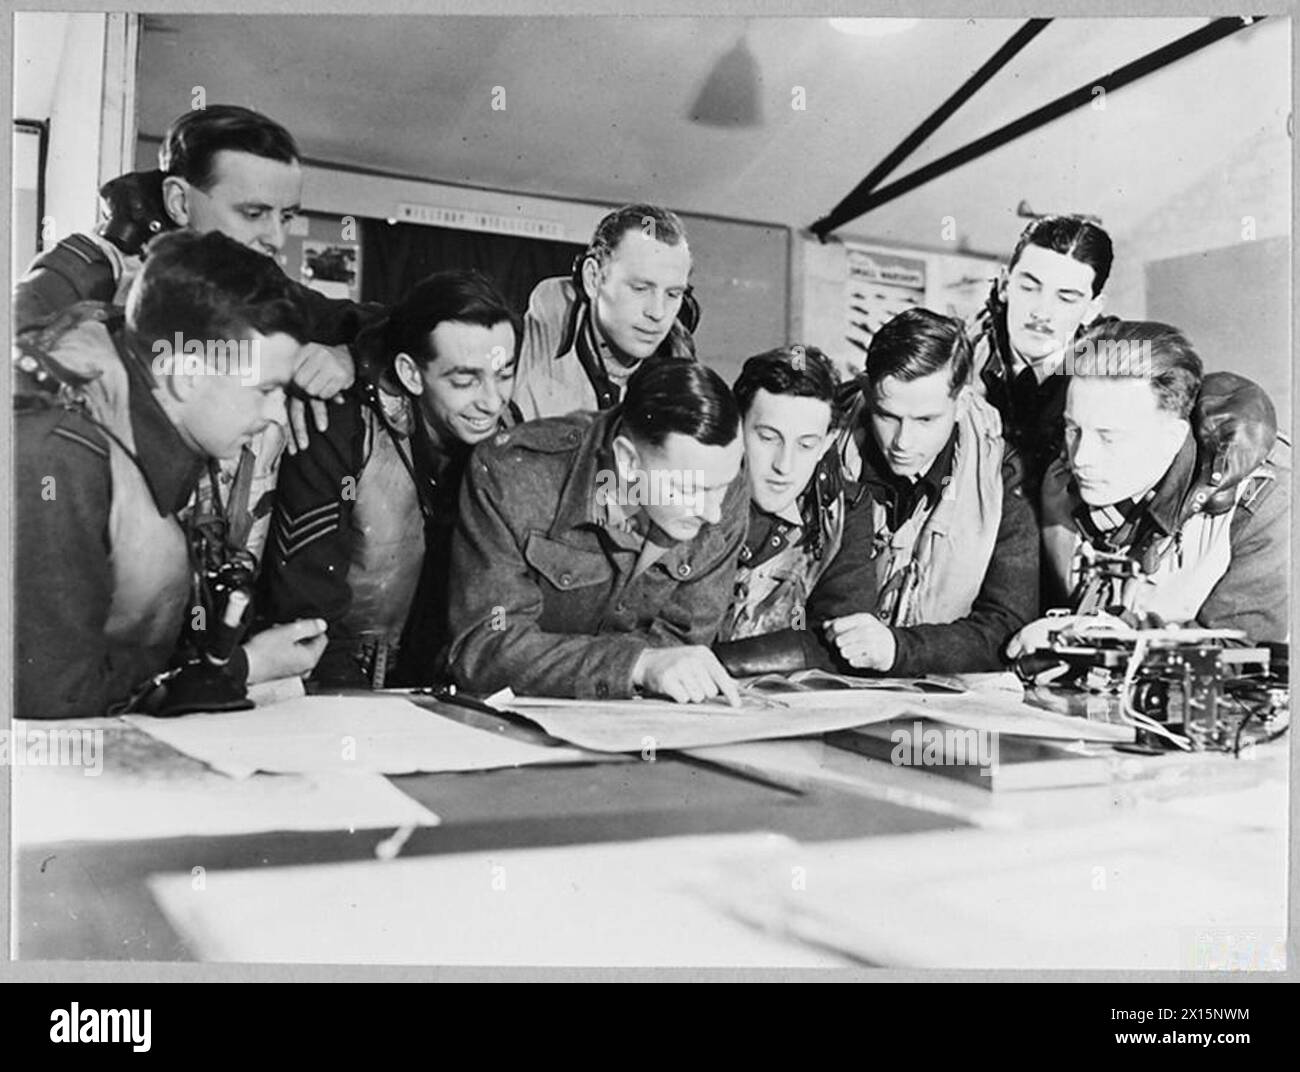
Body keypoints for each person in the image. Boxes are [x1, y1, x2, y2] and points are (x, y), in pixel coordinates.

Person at [14, 231, 330, 721]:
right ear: (185, 376)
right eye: (266, 389)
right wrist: (239, 668)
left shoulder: (145, 416)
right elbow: (53, 708)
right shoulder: (58, 455)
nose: (276, 413)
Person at [717, 309, 1040, 677]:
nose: (903, 442)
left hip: (925, 698)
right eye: (888, 416)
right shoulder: (817, 440)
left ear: (962, 404)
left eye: (925, 420)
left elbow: (1007, 627)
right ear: (868, 391)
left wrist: (900, 649)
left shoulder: (1001, 476)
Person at [259, 270, 522, 688]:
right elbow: (306, 615)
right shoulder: (339, 424)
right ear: (411, 373)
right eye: (465, 379)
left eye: (504, 374)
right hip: (335, 688)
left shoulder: (509, 435)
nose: (492, 402)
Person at [444, 360, 748, 704]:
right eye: (689, 490)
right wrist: (636, 665)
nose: (714, 512)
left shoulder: (716, 473)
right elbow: (486, 645)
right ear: (629, 462)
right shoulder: (514, 476)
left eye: (722, 486)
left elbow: (680, 646)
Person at [1007, 320, 1289, 657]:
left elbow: (1243, 656)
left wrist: (1102, 639)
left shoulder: (1266, 504)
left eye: (1109, 436)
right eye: (1073, 429)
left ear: (1172, 438)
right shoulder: (1058, 483)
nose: (1081, 457)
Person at [968, 214, 1113, 495]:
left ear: (1093, 308)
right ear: (1004, 285)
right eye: (1029, 287)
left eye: (1066, 297)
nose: (1041, 312)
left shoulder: (1115, 367)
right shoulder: (958, 355)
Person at [512, 203, 699, 419]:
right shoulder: (519, 353)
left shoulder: (684, 375)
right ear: (593, 278)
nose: (657, 313)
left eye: (673, 294)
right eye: (640, 289)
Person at [714, 345, 845, 643]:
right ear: (737, 428)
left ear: (827, 444)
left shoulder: (838, 515)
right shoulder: (688, 503)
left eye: (806, 445)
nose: (783, 466)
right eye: (768, 438)